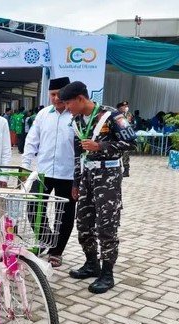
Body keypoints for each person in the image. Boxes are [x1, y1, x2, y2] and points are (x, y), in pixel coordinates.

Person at [60, 81, 136, 294]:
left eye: (68, 103)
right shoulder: (76, 121)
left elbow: (132, 143)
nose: (66, 107)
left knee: (106, 225)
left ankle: (107, 273)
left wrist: (101, 146)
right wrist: (75, 182)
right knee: (83, 224)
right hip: (86, 177)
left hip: (108, 178)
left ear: (80, 99)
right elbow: (78, 155)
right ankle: (91, 263)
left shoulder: (111, 116)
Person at [22, 77, 76, 268]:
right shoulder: (43, 114)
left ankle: (57, 251)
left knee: (65, 213)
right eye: (52, 94)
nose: (56, 98)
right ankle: (47, 239)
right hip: (43, 171)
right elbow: (31, 140)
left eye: (60, 94)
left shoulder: (75, 116)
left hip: (68, 174)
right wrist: (25, 165)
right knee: (33, 207)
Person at [116, 101, 133, 177]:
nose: (126, 108)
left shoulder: (128, 115)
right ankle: (117, 169)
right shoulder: (116, 115)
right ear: (119, 108)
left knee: (126, 154)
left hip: (126, 138)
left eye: (126, 106)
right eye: (124, 106)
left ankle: (126, 171)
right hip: (118, 138)